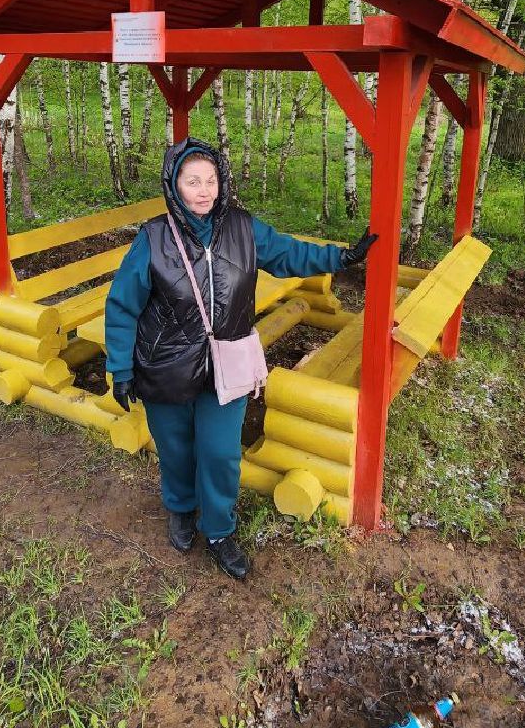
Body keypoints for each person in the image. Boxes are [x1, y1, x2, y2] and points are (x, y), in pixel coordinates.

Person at [104, 138, 376, 580]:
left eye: (210, 180)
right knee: (174, 448)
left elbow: (291, 253)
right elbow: (122, 305)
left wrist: (342, 257)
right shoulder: (153, 238)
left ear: (221, 182)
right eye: (193, 181)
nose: (204, 190)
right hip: (165, 366)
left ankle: (218, 531)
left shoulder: (243, 228)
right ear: (174, 185)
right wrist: (120, 368)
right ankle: (179, 507)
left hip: (225, 363)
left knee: (220, 453)